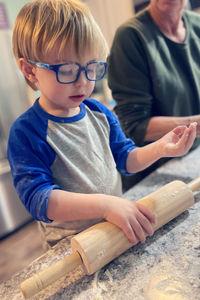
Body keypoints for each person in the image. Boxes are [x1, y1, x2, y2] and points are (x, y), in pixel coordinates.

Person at [7, 0, 196, 250]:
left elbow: (126, 158)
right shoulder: (27, 132)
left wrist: (161, 148)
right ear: (30, 71)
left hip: (115, 231)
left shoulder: (99, 112)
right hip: (72, 248)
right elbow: (39, 200)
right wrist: (106, 205)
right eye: (68, 70)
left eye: (92, 68)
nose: (84, 82)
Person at [107, 0, 200, 189]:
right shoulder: (131, 37)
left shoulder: (197, 25)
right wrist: (196, 125)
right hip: (153, 179)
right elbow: (134, 125)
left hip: (193, 160)